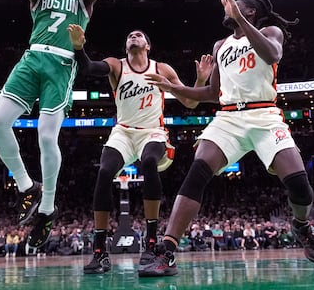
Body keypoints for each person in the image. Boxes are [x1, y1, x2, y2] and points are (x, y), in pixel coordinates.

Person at [145, 0, 314, 275]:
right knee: (197, 172)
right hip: (228, 117)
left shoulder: (270, 33)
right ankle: (166, 251)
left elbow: (272, 56)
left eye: (230, 2)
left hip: (265, 115)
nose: (223, 5)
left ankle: (301, 225)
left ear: (249, 10)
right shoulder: (220, 46)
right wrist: (175, 88)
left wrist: (240, 19)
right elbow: (214, 92)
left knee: (300, 186)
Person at [0, 0, 114, 249]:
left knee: (46, 137)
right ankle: (28, 186)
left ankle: (47, 207)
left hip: (61, 65)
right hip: (31, 60)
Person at [67, 25, 211, 275]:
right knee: (104, 172)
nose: (133, 36)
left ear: (148, 45)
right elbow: (89, 67)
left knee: (149, 163)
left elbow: (190, 102)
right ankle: (100, 250)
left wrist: (200, 80)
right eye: (129, 36)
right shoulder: (116, 65)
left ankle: (152, 243)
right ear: (126, 47)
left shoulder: (162, 69)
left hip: (152, 131)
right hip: (123, 131)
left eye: (139, 35)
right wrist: (79, 48)